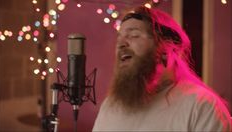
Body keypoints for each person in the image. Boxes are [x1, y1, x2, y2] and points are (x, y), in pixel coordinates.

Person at [93, 6, 232, 131]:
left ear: (167, 48)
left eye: (134, 35)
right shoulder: (111, 106)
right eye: (119, 38)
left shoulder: (202, 106)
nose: (121, 44)